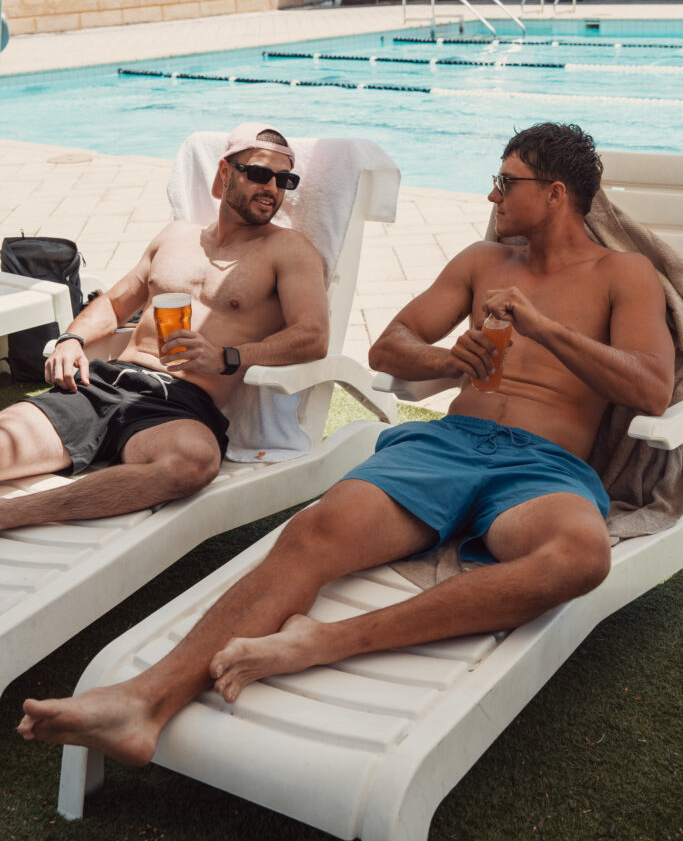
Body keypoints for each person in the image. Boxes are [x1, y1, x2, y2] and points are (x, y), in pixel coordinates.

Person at [18, 122, 674, 766]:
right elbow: (390, 346)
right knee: (312, 535)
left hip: (542, 463)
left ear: (555, 192)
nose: (491, 197)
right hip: (446, 443)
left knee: (577, 558)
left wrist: (544, 329)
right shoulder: (482, 262)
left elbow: (649, 387)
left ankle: (324, 641)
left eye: (505, 182)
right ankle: (141, 701)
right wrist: (447, 362)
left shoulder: (623, 274)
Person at [0, 124, 327, 533]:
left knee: (191, 463)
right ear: (225, 173)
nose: (273, 189)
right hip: (101, 383)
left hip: (178, 405)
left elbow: (313, 336)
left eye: (285, 180)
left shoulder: (289, 250)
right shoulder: (176, 237)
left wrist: (228, 357)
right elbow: (116, 303)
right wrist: (72, 337)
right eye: (260, 174)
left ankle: (12, 514)